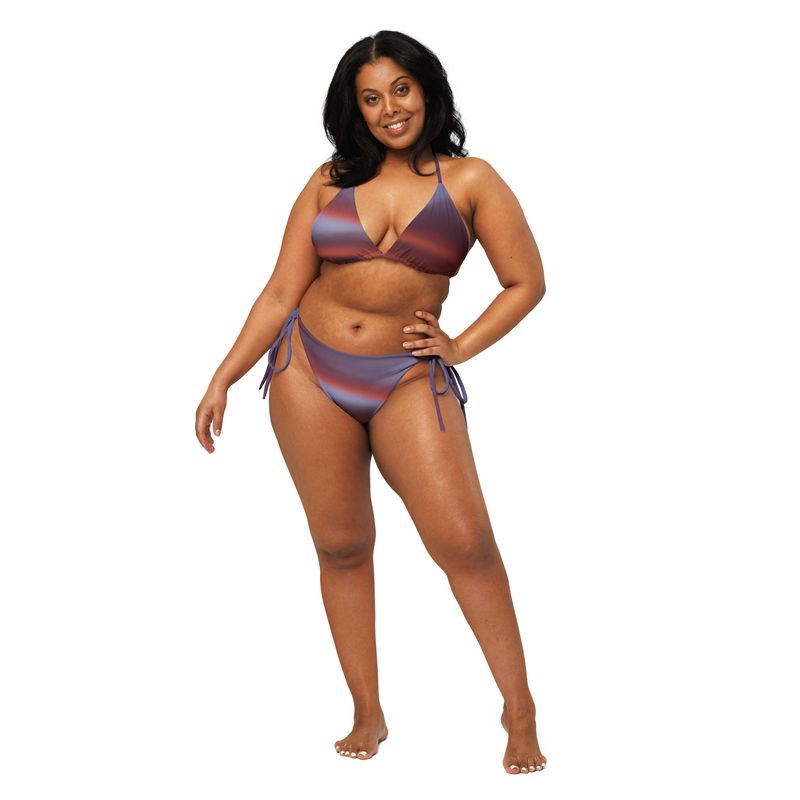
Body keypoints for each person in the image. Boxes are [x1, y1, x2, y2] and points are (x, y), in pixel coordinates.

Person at [194, 30, 547, 775]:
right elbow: (281, 291)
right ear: (354, 109)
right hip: (307, 370)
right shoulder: (329, 180)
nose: (390, 109)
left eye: (401, 90)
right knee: (341, 545)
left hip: (408, 377)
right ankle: (367, 710)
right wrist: (223, 375)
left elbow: (526, 282)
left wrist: (460, 345)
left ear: (427, 90)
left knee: (465, 543)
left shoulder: (472, 180)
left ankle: (518, 708)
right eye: (371, 97)